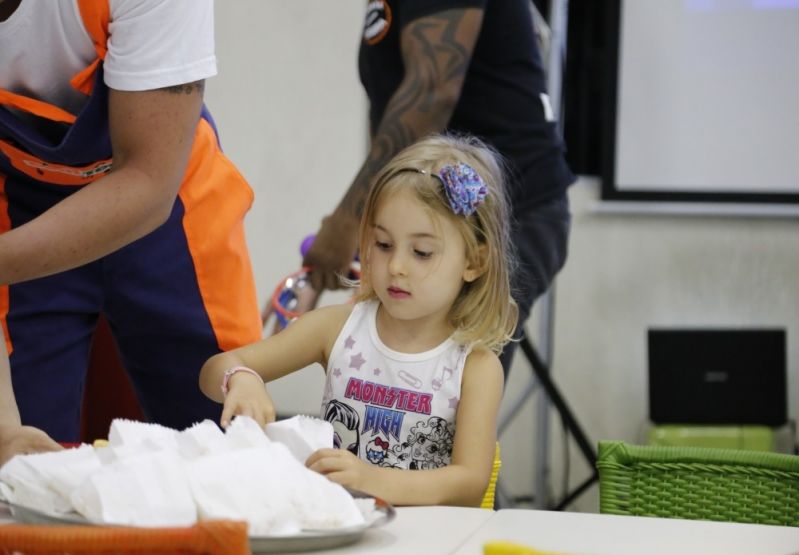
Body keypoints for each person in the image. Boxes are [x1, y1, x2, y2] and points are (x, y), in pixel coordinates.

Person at [200, 134, 518, 506]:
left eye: (422, 252)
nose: (396, 266)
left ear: (474, 262)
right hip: (341, 530)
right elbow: (214, 368)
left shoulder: (475, 366)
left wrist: (373, 479)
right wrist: (240, 378)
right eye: (383, 245)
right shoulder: (336, 329)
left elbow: (469, 483)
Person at [0, 0, 261, 447]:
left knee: (221, 442)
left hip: (171, 208)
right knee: (23, 459)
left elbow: (147, 181)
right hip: (18, 202)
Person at [302, 0, 575, 375]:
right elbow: (390, 116)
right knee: (398, 374)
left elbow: (431, 90)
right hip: (435, 219)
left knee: (447, 386)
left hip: (500, 214)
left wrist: (351, 221)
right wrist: (378, 224)